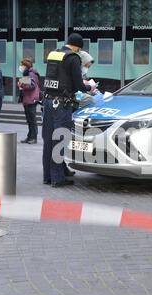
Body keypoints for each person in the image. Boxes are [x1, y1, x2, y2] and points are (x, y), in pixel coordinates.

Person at [42, 33, 96, 188]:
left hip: (48, 101)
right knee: (59, 140)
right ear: (78, 47)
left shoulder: (54, 54)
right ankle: (58, 179)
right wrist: (89, 87)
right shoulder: (73, 58)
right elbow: (78, 85)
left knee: (48, 141)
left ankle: (47, 177)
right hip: (62, 105)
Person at [17, 57, 41, 144]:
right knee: (29, 119)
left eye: (22, 65)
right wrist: (22, 83)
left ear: (25, 66)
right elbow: (27, 83)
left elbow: (32, 86)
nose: (20, 67)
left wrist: (21, 85)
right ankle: (29, 136)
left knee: (32, 120)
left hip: (31, 99)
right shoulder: (28, 73)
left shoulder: (32, 74)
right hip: (28, 99)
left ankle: (33, 138)